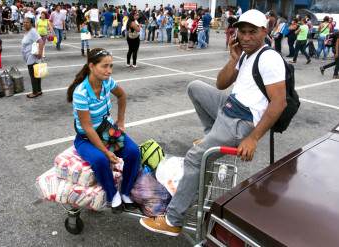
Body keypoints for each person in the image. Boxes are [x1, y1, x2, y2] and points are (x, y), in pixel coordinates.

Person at [140, 9, 287, 237]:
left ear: (264, 32)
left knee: (194, 157)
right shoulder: (246, 54)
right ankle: (210, 135)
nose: (246, 37)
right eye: (242, 32)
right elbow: (221, 83)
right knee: (195, 87)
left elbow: (279, 103)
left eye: (252, 32)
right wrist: (234, 60)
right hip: (229, 106)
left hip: (241, 120)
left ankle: (173, 220)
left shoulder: (269, 58)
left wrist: (252, 138)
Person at [67, 48, 140, 214]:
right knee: (100, 159)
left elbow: (122, 96)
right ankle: (112, 195)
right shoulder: (81, 92)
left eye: (111, 66)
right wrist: (107, 152)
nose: (109, 70)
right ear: (91, 66)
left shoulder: (108, 82)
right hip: (86, 138)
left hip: (108, 131)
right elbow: (87, 127)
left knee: (133, 152)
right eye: (105, 66)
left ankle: (126, 192)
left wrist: (120, 121)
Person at [21, 17, 45, 98]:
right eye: (24, 22)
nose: (25, 24)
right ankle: (39, 90)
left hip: (33, 56)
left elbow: (40, 41)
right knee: (37, 74)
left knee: (33, 75)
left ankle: (35, 92)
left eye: (27, 22)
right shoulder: (28, 31)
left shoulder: (32, 31)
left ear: (31, 23)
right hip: (30, 56)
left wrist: (40, 53)